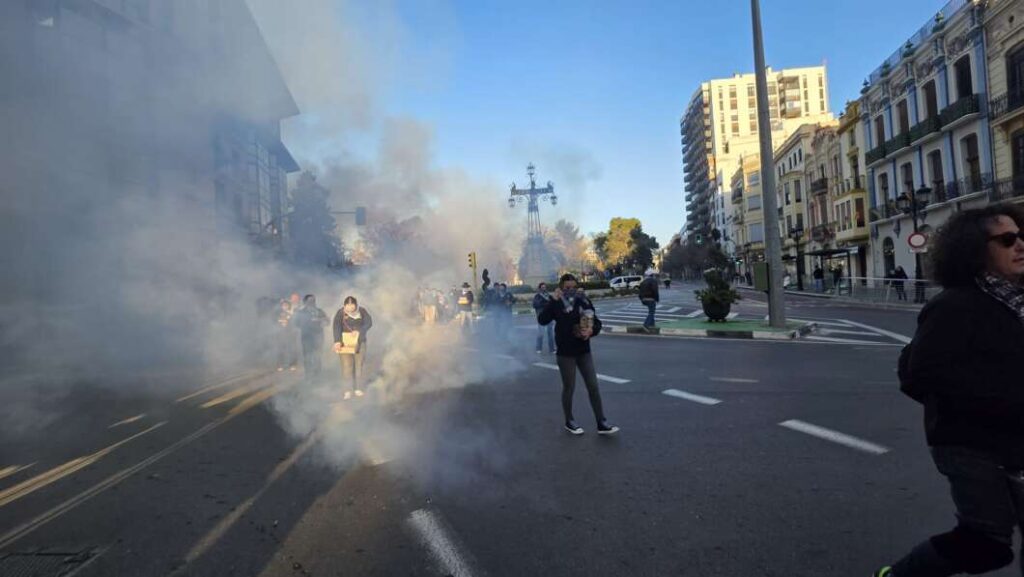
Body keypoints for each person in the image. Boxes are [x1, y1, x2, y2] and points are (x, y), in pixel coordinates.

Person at [873, 204, 1024, 577]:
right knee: (986, 543)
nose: (1019, 244)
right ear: (975, 249)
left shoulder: (1016, 302)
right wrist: (1001, 400)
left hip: (1014, 437)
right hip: (969, 443)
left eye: (1021, 236)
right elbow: (918, 374)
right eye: (1007, 239)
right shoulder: (956, 305)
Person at [537, 273, 618, 436]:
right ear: (561, 288)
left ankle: (601, 422)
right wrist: (552, 300)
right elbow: (543, 320)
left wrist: (591, 331)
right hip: (566, 353)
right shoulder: (557, 303)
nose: (571, 290)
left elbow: (596, 321)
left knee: (593, 386)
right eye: (567, 288)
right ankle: (569, 420)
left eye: (573, 287)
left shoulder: (583, 300)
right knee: (569, 388)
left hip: (583, 350)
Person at [333, 296, 373, 400]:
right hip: (345, 343)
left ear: (356, 305)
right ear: (344, 305)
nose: (350, 308)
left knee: (359, 365)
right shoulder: (340, 313)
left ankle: (358, 388)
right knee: (347, 366)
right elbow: (336, 327)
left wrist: (360, 331)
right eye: (348, 306)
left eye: (352, 306)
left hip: (360, 342)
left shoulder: (362, 311)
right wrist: (337, 341)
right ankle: (347, 390)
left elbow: (369, 323)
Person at [290, 294, 329, 379]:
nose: (312, 302)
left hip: (318, 336)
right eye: (310, 301)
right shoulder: (301, 312)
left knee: (318, 356)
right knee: (307, 355)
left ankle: (318, 374)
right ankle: (308, 374)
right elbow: (296, 323)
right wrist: (307, 323)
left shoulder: (319, 311)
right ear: (305, 302)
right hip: (306, 336)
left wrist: (320, 320)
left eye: (313, 300)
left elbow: (327, 321)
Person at [274, 299, 298, 372]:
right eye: (283, 305)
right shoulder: (278, 314)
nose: (285, 307)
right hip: (281, 334)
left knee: (292, 349)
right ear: (281, 306)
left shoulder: (292, 313)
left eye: (286, 305)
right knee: (281, 350)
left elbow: (295, 323)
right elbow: (275, 322)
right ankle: (280, 365)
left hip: (290, 334)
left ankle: (293, 364)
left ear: (289, 306)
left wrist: (291, 315)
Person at [532, 282, 556, 354]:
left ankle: (552, 349)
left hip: (549, 317)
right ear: (540, 288)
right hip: (541, 316)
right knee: (541, 333)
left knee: (550, 333)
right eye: (542, 287)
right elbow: (535, 305)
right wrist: (545, 303)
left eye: (544, 287)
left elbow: (553, 303)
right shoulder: (537, 296)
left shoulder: (548, 296)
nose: (544, 288)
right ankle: (538, 348)